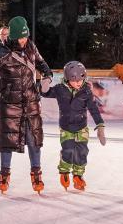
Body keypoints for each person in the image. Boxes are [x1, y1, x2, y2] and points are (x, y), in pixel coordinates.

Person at [0, 16, 53, 194]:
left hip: (31, 101)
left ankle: (36, 173)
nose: (24, 40)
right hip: (10, 104)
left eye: (26, 36)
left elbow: (41, 63)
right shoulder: (1, 53)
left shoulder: (31, 46)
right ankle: (4, 174)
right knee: (6, 141)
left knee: (34, 139)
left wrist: (47, 75)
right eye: (21, 37)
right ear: (14, 36)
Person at [41, 61, 106, 191]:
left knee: (82, 152)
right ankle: (64, 171)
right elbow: (46, 93)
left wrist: (100, 125)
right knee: (68, 150)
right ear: (67, 78)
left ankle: (78, 176)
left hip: (81, 126)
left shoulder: (86, 91)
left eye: (80, 80)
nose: (78, 83)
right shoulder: (60, 89)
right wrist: (44, 85)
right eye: (74, 80)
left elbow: (93, 109)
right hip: (66, 127)